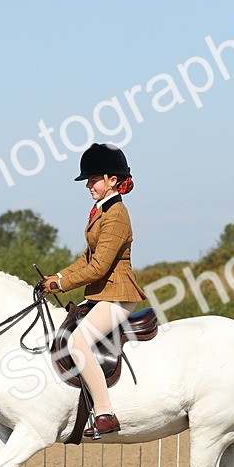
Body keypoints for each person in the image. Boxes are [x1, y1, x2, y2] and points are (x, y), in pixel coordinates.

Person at [43, 142, 146, 437]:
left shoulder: (116, 215)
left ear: (112, 180)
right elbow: (86, 258)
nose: (88, 185)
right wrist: (57, 276)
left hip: (118, 293)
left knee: (77, 343)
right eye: (88, 181)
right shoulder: (101, 211)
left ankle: (104, 413)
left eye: (93, 179)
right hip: (103, 293)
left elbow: (100, 267)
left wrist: (61, 285)